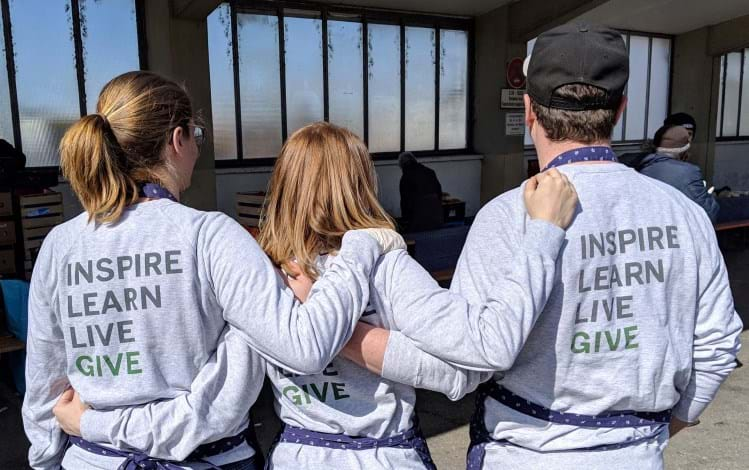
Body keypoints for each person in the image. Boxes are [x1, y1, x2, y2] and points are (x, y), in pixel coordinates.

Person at [51, 121, 579, 470]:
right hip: (385, 457)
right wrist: (361, 339)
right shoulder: (382, 261)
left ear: (284, 182)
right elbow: (460, 373)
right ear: (361, 181)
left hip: (298, 455)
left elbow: (220, 389)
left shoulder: (255, 272)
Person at [347, 24, 743, 469]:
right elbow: (717, 346)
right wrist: (652, 433)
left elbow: (466, 358)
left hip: (523, 452)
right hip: (637, 454)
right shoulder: (682, 213)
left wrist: (340, 331)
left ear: (529, 108)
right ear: (621, 110)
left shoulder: (506, 216)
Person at [22, 71, 406, 470]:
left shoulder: (60, 245)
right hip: (204, 459)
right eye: (196, 137)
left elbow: (44, 386)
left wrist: (65, 446)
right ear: (177, 140)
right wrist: (361, 247)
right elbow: (301, 349)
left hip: (92, 459)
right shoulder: (210, 236)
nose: (196, 151)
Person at [622, 125, 720, 223]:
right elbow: (709, 214)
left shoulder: (631, 163)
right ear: (684, 153)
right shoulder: (687, 173)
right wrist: (708, 196)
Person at [398, 151, 444, 232]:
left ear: (403, 166)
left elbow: (405, 202)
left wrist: (405, 221)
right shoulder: (430, 172)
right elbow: (439, 193)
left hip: (418, 219)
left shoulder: (405, 178)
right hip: (436, 215)